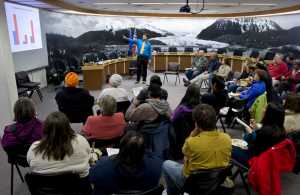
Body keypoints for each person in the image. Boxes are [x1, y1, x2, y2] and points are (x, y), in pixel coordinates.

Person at [163, 104, 232, 195]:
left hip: (192, 183)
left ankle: (171, 192)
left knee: (166, 164)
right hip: (216, 179)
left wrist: (192, 133)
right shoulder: (227, 138)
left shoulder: (192, 142)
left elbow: (184, 152)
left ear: (196, 124)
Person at [27, 112, 91, 192]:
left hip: (45, 190)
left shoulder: (34, 148)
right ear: (68, 127)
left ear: (45, 128)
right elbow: (89, 155)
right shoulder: (80, 140)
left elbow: (29, 163)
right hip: (78, 188)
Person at [89, 131, 163, 195]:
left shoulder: (102, 168)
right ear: (144, 150)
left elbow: (92, 177)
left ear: (121, 148)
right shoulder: (157, 165)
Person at [171, 84, 201, 160]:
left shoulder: (182, 108)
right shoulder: (201, 108)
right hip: (195, 136)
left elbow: (172, 119)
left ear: (187, 93)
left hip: (180, 136)